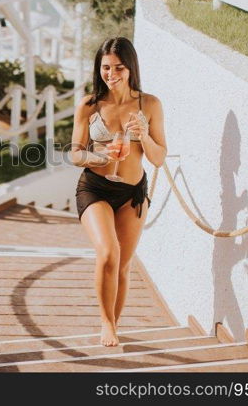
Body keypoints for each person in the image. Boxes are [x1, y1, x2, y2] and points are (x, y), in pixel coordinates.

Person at [69, 37, 167, 346]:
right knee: (108, 253)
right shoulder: (89, 104)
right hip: (94, 188)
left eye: (118, 68)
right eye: (105, 68)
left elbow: (158, 158)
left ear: (131, 68)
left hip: (132, 193)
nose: (111, 74)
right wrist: (101, 157)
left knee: (123, 264)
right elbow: (75, 154)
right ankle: (105, 323)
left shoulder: (149, 104)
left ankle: (115, 322)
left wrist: (145, 136)